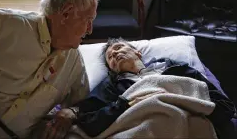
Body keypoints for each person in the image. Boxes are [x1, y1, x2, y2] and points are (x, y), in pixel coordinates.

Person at [0, 0, 98, 138]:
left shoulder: (73, 61)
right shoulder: (3, 25)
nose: (90, 30)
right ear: (66, 14)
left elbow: (84, 100)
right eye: (88, 20)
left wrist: (70, 112)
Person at [50, 37, 237, 139]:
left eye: (118, 48)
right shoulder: (112, 87)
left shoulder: (177, 69)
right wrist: (126, 104)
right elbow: (90, 122)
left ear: (137, 52)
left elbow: (224, 108)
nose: (114, 54)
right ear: (112, 70)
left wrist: (179, 99)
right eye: (110, 58)